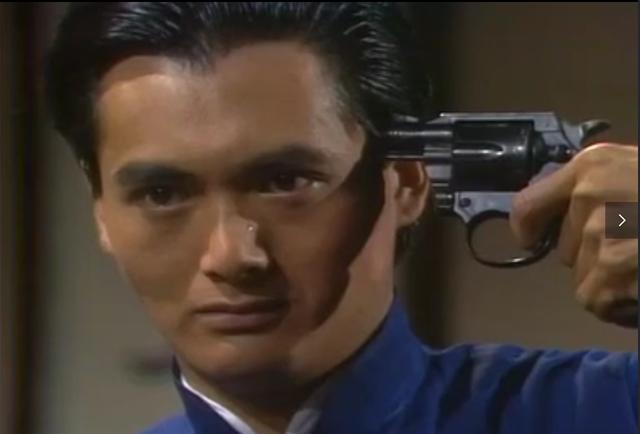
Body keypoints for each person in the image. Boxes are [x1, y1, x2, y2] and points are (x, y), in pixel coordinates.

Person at [45, 3, 638, 434]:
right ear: (102, 215)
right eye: (161, 193)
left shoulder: (604, 410)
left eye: (284, 183)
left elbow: (621, 221)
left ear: (406, 184)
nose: (231, 255)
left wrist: (625, 223)